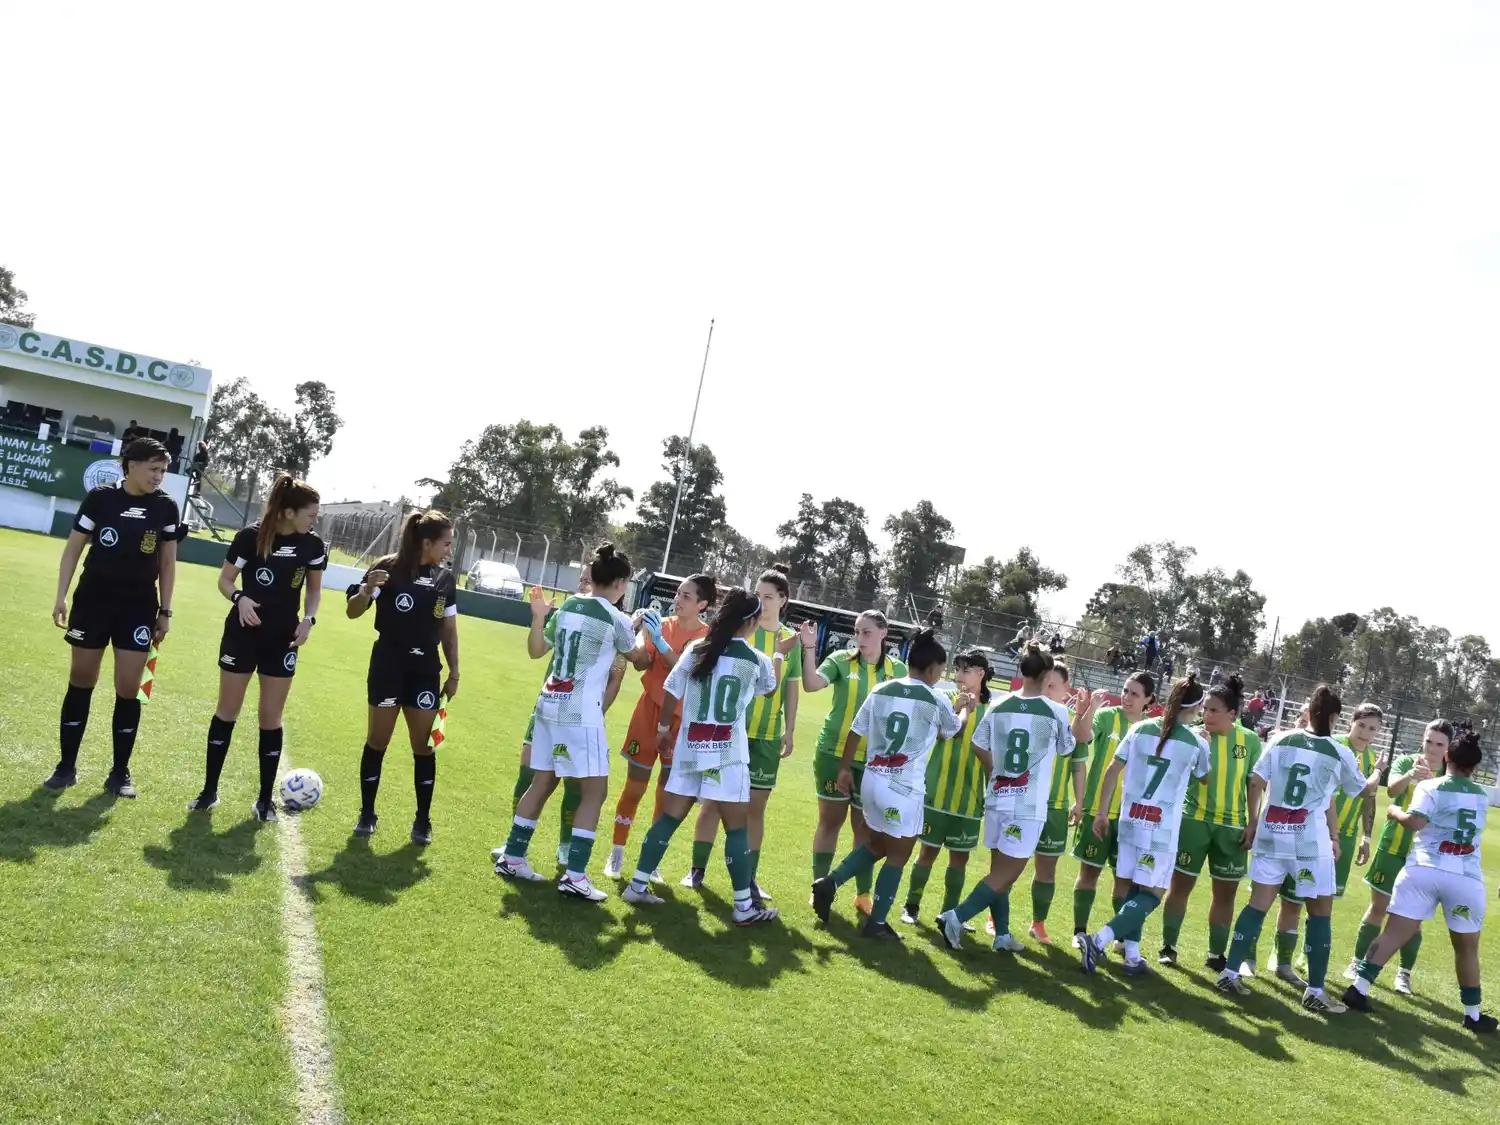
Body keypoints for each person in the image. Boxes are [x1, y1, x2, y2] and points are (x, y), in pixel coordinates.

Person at [619, 587, 787, 926]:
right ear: (752, 621)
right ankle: (744, 907)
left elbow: (671, 689)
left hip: (691, 747)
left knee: (669, 817)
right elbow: (769, 689)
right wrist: (780, 656)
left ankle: (637, 884)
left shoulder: (698, 648)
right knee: (736, 828)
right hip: (728, 753)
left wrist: (665, 728)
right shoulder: (757, 659)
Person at [1215, 685, 1381, 1013]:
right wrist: (1378, 771)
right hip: (1308, 839)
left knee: (1257, 905)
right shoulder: (1339, 751)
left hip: (1271, 831)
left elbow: (1256, 781)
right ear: (1335, 717)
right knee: (1320, 912)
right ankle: (1315, 991)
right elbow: (1364, 792)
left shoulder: (1280, 739)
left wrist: (1252, 821)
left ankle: (1230, 971)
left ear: (1308, 710)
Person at [495, 543, 636, 900]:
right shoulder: (617, 619)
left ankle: (513, 856)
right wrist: (640, 628)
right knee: (595, 792)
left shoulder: (570, 605)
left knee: (542, 781)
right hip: (580, 712)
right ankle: (575, 876)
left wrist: (539, 615)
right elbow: (639, 658)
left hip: (548, 704)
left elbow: (536, 650)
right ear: (620, 583)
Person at [812, 629, 969, 938]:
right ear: (933, 668)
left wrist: (845, 769)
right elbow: (954, 731)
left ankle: (829, 883)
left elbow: (856, 730)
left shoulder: (882, 689)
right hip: (904, 788)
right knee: (898, 854)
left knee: (878, 844)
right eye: (941, 669)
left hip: (872, 780)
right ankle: (878, 923)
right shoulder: (935, 697)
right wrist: (965, 708)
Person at [45, 437, 180, 796]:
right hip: (93, 600)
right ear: (130, 465)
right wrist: (61, 596)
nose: (158, 477)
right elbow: (74, 546)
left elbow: (167, 562)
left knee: (129, 686)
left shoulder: (166, 507)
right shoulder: (101, 498)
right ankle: (66, 766)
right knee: (82, 678)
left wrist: (165, 610)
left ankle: (120, 773)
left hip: (138, 605)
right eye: (153, 469)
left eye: (163, 471)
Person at [1341, 723, 1496, 1033]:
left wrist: (1395, 813)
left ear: (1447, 755)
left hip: (1424, 869)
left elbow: (1414, 822)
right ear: (1475, 765)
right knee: (1467, 948)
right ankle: (1473, 1015)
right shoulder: (1482, 796)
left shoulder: (1430, 787)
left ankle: (1358, 988)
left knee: (1392, 932)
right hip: (1465, 876)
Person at [190, 474, 325, 820]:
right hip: (242, 635)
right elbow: (224, 580)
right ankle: (208, 793)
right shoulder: (250, 536)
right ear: (290, 511)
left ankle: (265, 801)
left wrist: (309, 620)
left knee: (270, 717)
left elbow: (313, 591)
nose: (316, 520)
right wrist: (240, 599)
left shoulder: (312, 545)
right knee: (227, 711)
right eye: (311, 514)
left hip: (283, 639)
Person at [935, 643, 1075, 952]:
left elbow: (977, 744)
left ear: (1021, 671)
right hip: (1026, 805)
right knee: (1006, 873)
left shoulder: (1000, 704)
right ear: (1048, 673)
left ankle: (1002, 935)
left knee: (1000, 873)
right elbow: (1068, 749)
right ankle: (954, 917)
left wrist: (997, 772)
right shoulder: (1057, 711)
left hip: (998, 796)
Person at [678, 564, 801, 899]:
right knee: (713, 804)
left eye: (768, 597)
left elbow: (791, 687)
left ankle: (750, 878)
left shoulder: (788, 640)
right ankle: (696, 869)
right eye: (758, 596)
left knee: (754, 810)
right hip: (727, 734)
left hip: (764, 735)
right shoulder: (741, 630)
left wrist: (789, 729)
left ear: (783, 601)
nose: (761, 603)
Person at [1080, 675, 1212, 975]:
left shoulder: (1139, 729)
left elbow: (1112, 771)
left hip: (1129, 820)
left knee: (1130, 888)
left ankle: (1132, 956)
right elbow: (1205, 778)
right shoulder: (1195, 742)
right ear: (1198, 706)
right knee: (1152, 894)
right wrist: (1205, 744)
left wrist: (1102, 812)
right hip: (1159, 829)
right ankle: (1098, 941)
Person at [345, 510, 459, 845]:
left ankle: (422, 821)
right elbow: (353, 611)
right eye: (446, 544)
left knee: (424, 748)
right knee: (377, 741)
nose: (449, 550)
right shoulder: (388, 568)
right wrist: (366, 590)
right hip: (388, 666)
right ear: (427, 542)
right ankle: (367, 814)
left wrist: (454, 671)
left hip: (425, 670)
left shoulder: (444, 580)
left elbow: (449, 631)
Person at [601, 574, 715, 879]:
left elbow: (685, 668)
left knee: (666, 793)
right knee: (634, 787)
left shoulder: (708, 637)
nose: (678, 599)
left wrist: (661, 644)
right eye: (677, 594)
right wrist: (632, 632)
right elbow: (639, 662)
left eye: (687, 596)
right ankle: (616, 853)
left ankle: (649, 864)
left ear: (702, 605)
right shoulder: (661, 624)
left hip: (680, 722)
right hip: (649, 712)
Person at [798, 610, 908, 916]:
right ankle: (818, 885)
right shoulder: (840, 660)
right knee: (830, 821)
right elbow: (810, 684)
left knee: (866, 830)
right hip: (834, 753)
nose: (860, 639)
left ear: (884, 633)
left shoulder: (898, 670)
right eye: (857, 632)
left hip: (875, 762)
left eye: (867, 632)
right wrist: (808, 647)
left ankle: (862, 895)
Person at [1271, 703, 1387, 987]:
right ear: (1351, 723)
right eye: (1362, 725)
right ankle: (1280, 955)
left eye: (1373, 729)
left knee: (1325, 905)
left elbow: (1368, 801)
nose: (1365, 733)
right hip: (1315, 830)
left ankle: (1305, 958)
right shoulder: (1334, 748)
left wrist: (1366, 837)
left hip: (1344, 838)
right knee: (1294, 900)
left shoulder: (1371, 757)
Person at [1156, 675, 1262, 968]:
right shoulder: (1192, 735)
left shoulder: (1250, 741)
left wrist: (1253, 822)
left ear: (1232, 714)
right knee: (1180, 887)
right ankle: (1168, 946)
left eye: (1215, 710)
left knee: (1225, 894)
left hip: (1232, 828)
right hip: (1194, 820)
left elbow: (1253, 785)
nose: (1207, 715)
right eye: (1205, 709)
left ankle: (1216, 954)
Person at [1344, 719, 1451, 993]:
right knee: (1378, 909)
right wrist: (1411, 776)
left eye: (1439, 744)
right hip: (1392, 848)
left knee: (1412, 920)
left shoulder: (1451, 774)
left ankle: (1403, 973)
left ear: (1448, 747)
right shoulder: (1407, 762)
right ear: (1423, 740)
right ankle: (1357, 961)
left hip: (1424, 855)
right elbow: (1391, 791)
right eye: (1429, 742)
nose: (1433, 749)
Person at [900, 649, 992, 928]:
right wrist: (957, 708)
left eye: (966, 670)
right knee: (927, 852)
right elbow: (941, 733)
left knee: (959, 859)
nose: (959, 676)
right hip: (936, 792)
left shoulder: (992, 712)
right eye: (957, 670)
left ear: (980, 674)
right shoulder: (946, 702)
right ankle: (911, 906)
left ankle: (950, 914)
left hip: (969, 797)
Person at [1069, 671, 1157, 944]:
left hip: (1133, 818)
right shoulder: (1108, 717)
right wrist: (1092, 708)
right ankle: (1080, 932)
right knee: (1089, 873)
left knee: (1126, 881)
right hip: (1098, 810)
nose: (1127, 697)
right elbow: (1080, 736)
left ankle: (1120, 937)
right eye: (1126, 691)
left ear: (1149, 700)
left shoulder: (1153, 729)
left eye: (1135, 694)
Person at [1017, 660, 1094, 945]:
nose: (1046, 690)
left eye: (1052, 686)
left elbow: (1078, 765)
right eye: (1044, 683)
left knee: (1046, 870)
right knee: (1011, 863)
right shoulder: (1026, 714)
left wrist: (1079, 801)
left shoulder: (1072, 723)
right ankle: (994, 918)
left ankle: (1038, 924)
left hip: (1056, 807)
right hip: (1023, 800)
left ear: (1065, 691)